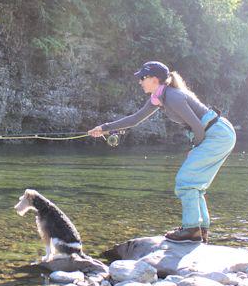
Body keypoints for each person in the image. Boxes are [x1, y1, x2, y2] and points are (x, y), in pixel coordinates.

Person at [88, 61, 236, 243]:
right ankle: (200, 230)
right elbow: (135, 119)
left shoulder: (173, 97)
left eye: (143, 78)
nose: (140, 81)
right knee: (194, 184)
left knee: (185, 182)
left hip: (216, 134)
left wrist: (194, 149)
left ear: (154, 79)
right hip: (217, 134)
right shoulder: (159, 98)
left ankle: (191, 230)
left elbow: (198, 128)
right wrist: (104, 128)